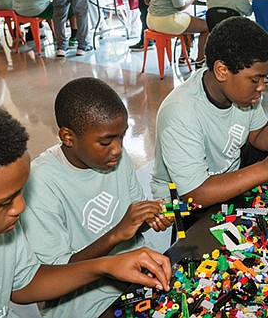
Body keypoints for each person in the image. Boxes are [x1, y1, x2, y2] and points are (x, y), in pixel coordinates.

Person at [0, 99, 171, 318]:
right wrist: (112, 245)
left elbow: (25, 283)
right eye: (5, 202)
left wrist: (106, 265)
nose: (21, 207)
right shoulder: (42, 185)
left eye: (21, 193)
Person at [20, 78, 174, 317]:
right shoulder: (41, 184)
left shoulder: (114, 159)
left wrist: (149, 218)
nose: (118, 149)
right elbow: (55, 274)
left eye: (121, 137)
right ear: (68, 137)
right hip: (84, 303)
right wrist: (115, 235)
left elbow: (132, 226)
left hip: (136, 276)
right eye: (105, 141)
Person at [150, 17, 268, 208]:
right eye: (255, 80)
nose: (262, 87)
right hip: (187, 203)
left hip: (230, 180)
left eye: (264, 78)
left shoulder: (242, 95)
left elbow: (259, 133)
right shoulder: (180, 113)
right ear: (221, 70)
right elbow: (195, 194)